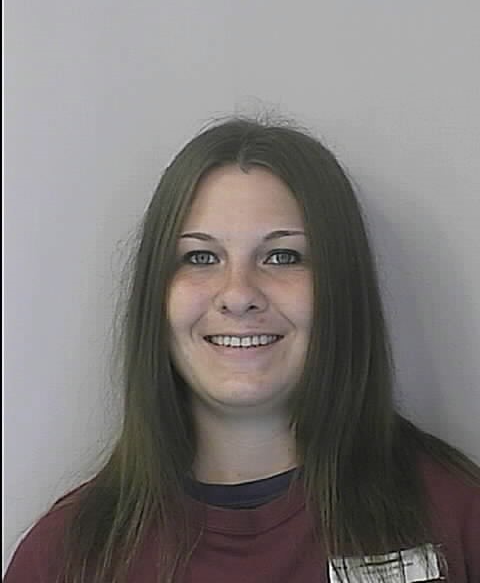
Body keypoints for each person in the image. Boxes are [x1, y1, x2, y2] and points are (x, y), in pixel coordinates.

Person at [4, 117, 480, 583]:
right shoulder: (63, 560)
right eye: (201, 257)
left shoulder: (457, 517)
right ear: (155, 296)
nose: (238, 294)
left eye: (282, 256)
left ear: (341, 287)